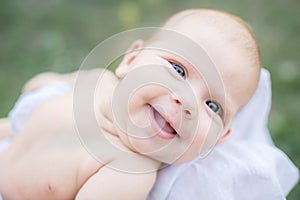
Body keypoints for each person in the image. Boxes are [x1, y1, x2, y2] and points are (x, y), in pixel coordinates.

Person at [0, 9, 297, 199]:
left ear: (219, 139)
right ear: (131, 60)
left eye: (213, 105)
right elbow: (32, 102)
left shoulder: (127, 172)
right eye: (178, 70)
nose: (188, 102)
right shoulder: (93, 81)